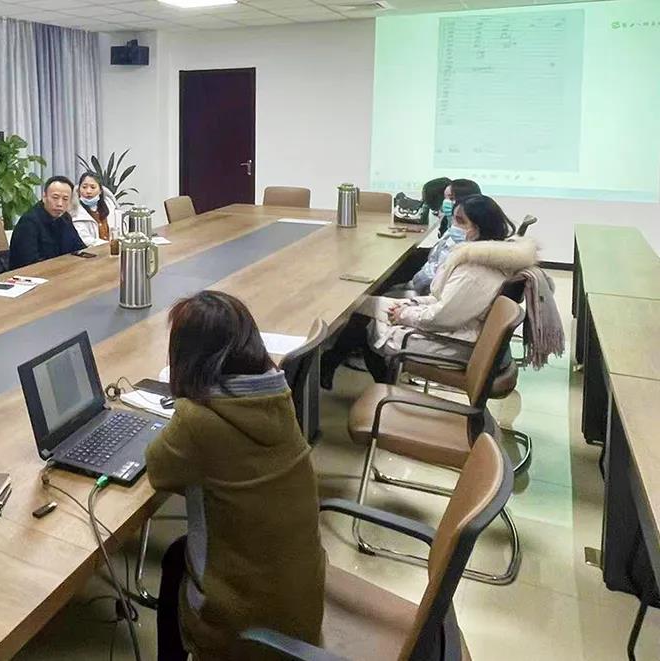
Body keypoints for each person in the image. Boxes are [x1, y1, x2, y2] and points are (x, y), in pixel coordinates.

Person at [146, 290, 326, 661]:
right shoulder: (276, 395)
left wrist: (185, 405)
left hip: (245, 628)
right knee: (177, 555)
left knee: (175, 562)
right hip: (301, 605)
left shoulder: (198, 421)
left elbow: (159, 471)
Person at [321, 194, 536, 387]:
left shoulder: (475, 271)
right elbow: (443, 300)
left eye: (461, 221)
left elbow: (442, 317)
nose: (454, 225)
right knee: (364, 304)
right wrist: (410, 305)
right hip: (454, 328)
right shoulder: (485, 258)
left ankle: (373, 382)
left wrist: (404, 314)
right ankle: (346, 369)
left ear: (479, 227)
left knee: (366, 319)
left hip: (452, 343)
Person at [9, 175, 85, 268]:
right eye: (55, 197)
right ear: (44, 197)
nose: (60, 204)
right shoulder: (28, 222)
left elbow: (79, 247)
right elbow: (28, 263)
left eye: (65, 199)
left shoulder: (65, 218)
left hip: (62, 270)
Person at [70, 172, 118, 246]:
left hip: (114, 249)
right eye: (84, 187)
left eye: (93, 187)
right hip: (91, 251)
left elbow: (119, 229)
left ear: (100, 190)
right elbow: (85, 239)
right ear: (79, 190)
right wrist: (108, 245)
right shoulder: (75, 211)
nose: (88, 191)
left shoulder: (110, 205)